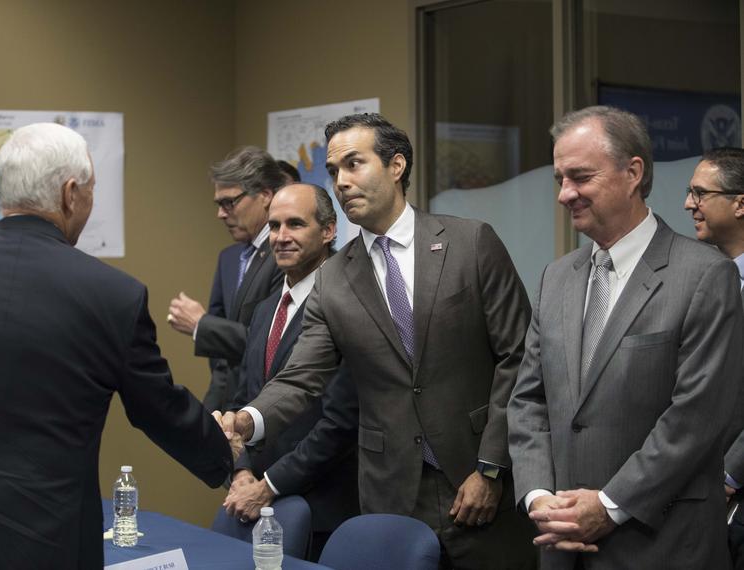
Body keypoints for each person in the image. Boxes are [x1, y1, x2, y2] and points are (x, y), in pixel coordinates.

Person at [0, 123, 234, 569]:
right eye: (91, 189)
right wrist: (220, 449)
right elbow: (159, 408)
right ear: (70, 193)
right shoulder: (112, 295)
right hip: (42, 539)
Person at [220, 113, 536, 569]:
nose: (342, 182)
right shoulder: (333, 279)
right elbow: (301, 378)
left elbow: (518, 358)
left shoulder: (470, 244)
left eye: (354, 164)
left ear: (396, 166)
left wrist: (491, 467)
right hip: (391, 494)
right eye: (334, 172)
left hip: (481, 481)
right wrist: (249, 420)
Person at [508, 106, 744, 570]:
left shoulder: (704, 275)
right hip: (562, 544)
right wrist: (539, 499)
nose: (564, 194)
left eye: (579, 177)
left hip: (661, 546)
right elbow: (528, 402)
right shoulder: (557, 278)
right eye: (559, 178)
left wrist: (610, 505)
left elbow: (695, 418)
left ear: (633, 172)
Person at [222, 183, 359, 560]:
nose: (281, 237)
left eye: (295, 225)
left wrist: (269, 485)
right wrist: (242, 472)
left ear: (329, 231)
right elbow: (243, 398)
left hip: (322, 511)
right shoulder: (265, 308)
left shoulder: (348, 304)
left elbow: (339, 423)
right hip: (254, 504)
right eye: (274, 226)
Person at [168, 147, 285, 411]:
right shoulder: (230, 258)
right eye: (219, 204)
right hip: (229, 407)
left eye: (229, 202)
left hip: (268, 410)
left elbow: (272, 345)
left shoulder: (285, 254)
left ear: (265, 195)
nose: (221, 214)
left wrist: (201, 325)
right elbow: (221, 363)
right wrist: (212, 414)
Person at [683, 146, 744, 569]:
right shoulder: (701, 277)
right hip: (697, 495)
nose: (689, 203)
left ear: (740, 203)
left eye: (701, 194)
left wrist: (730, 473)